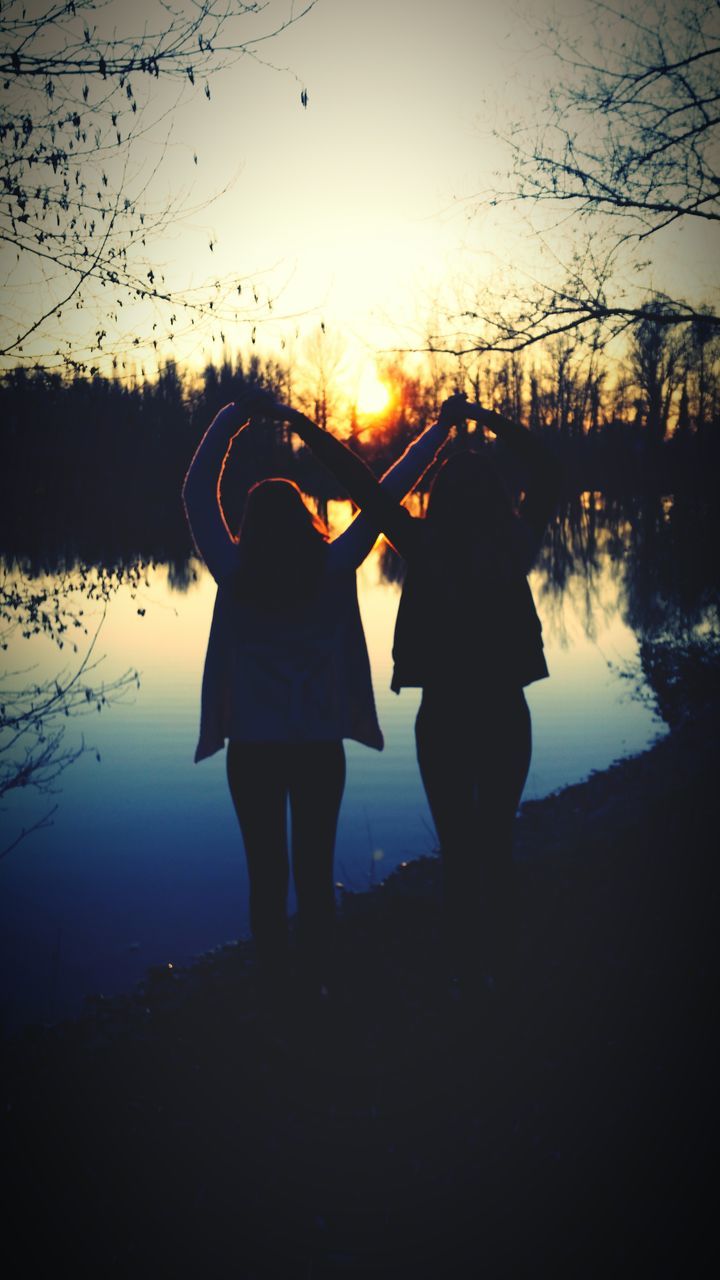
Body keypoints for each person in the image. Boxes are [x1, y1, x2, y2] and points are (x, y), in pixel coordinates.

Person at [181, 389, 468, 1009]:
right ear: (305, 518)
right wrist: (440, 431)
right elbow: (387, 491)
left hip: (253, 754)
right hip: (317, 752)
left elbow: (197, 493)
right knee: (314, 871)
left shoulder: (235, 574)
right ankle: (317, 982)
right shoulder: (335, 566)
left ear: (251, 525)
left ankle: (275, 986)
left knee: (267, 875)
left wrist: (237, 416)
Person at [284, 397, 561, 997]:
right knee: (496, 845)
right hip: (505, 716)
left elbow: (360, 480)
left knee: (460, 851)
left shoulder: (425, 548)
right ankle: (503, 970)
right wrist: (488, 423)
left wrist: (305, 425)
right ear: (494, 498)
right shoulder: (513, 548)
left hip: (442, 720)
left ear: (440, 501)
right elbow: (546, 466)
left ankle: (465, 971)